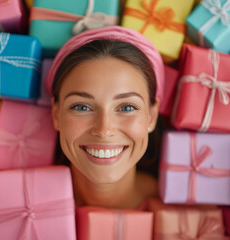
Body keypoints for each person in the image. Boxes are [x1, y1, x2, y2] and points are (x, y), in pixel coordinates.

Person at [46, 26, 165, 209]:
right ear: (56, 114)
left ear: (152, 115)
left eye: (127, 107)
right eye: (82, 107)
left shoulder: (183, 214)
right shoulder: (16, 206)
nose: (104, 130)